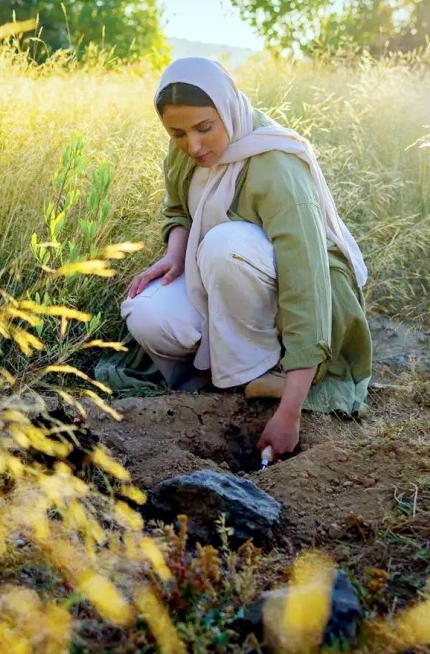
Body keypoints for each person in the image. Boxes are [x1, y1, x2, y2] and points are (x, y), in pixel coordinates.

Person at [120, 57, 372, 460]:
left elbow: (305, 281)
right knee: (147, 314)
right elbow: (179, 210)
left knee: (225, 244)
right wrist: (174, 255)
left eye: (205, 128)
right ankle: (222, 372)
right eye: (178, 133)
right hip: (220, 274)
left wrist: (290, 412)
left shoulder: (274, 163)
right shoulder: (185, 150)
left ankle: (262, 375)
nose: (194, 146)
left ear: (228, 107)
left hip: (300, 290)